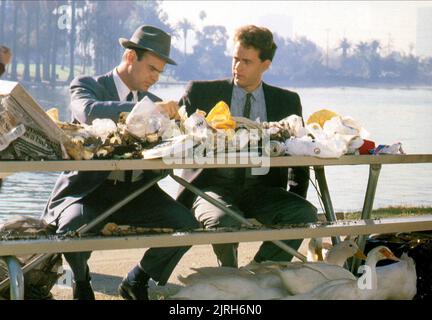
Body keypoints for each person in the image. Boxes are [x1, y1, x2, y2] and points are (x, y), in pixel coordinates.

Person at [42, 25, 199, 300]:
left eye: (159, 72)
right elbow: (88, 113)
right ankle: (80, 280)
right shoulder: (87, 85)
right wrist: (146, 111)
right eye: (151, 68)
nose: (155, 77)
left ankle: (136, 279)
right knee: (70, 228)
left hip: (136, 193)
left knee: (187, 225)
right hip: (89, 190)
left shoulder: (155, 101)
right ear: (129, 57)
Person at [177, 25, 318, 268]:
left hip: (262, 190)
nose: (237, 67)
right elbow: (175, 138)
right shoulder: (200, 92)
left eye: (246, 62)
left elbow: (299, 151)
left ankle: (260, 271)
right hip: (211, 187)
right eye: (235, 59)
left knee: (304, 213)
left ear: (266, 64)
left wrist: (293, 197)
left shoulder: (287, 101)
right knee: (224, 222)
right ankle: (230, 274)